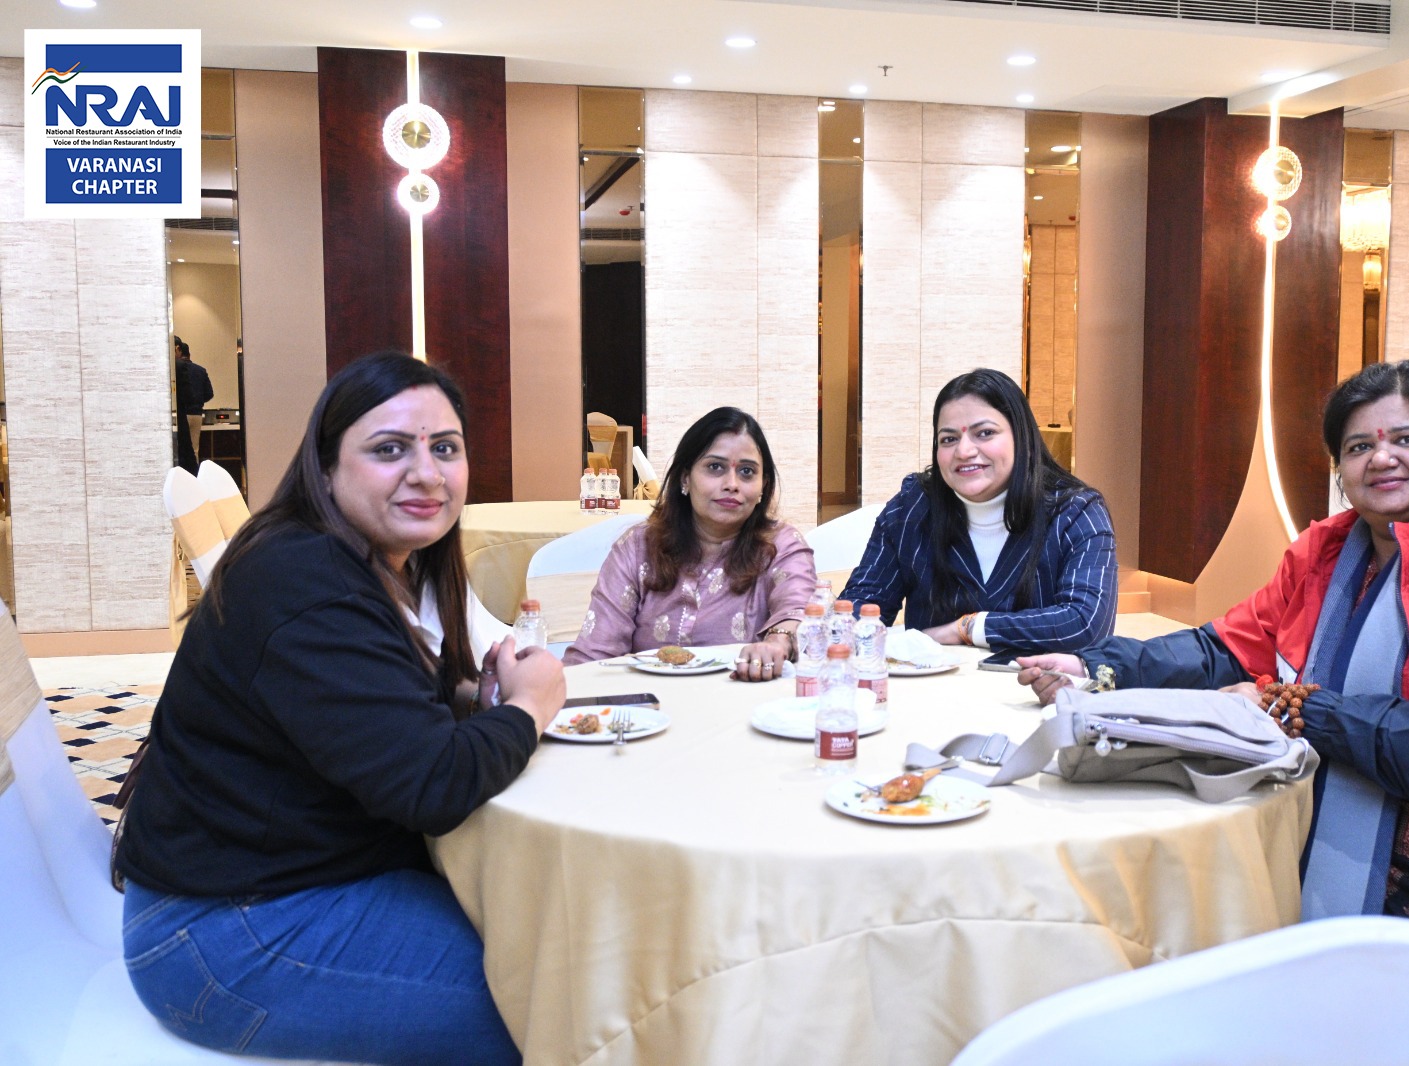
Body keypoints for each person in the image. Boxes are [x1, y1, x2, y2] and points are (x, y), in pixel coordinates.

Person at [1017, 360, 1409, 961]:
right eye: (1359, 447)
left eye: (1407, 439)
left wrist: (1289, 708)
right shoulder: (1331, 549)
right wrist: (1098, 667)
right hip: (1334, 828)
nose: (1382, 458)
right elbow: (1228, 645)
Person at [116, 352, 566, 1064]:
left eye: (445, 449)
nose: (427, 473)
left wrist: (462, 700)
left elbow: (362, 722)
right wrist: (531, 706)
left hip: (290, 886)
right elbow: (433, 785)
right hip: (225, 934)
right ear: (325, 469)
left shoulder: (356, 562)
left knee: (560, 940)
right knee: (557, 1003)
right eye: (390, 450)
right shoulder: (306, 580)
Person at [839, 368, 1117, 653]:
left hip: (1036, 681)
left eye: (985, 433)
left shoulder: (1076, 512)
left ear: (1022, 438)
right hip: (932, 681)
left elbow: (1085, 624)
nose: (964, 451)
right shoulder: (912, 508)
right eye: (949, 439)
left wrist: (968, 628)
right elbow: (859, 609)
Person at [564, 406, 817, 682]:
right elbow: (595, 654)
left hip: (745, 701)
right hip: (650, 703)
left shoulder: (780, 545)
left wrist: (778, 640)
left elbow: (800, 610)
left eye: (747, 472)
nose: (732, 484)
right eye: (715, 467)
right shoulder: (638, 547)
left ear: (763, 487)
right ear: (685, 477)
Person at [173, 337, 212, 475]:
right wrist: (198, 401)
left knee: (179, 448)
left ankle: (180, 475)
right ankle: (193, 477)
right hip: (196, 414)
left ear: (179, 350)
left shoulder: (175, 368)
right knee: (194, 449)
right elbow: (209, 393)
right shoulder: (201, 370)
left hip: (181, 414)